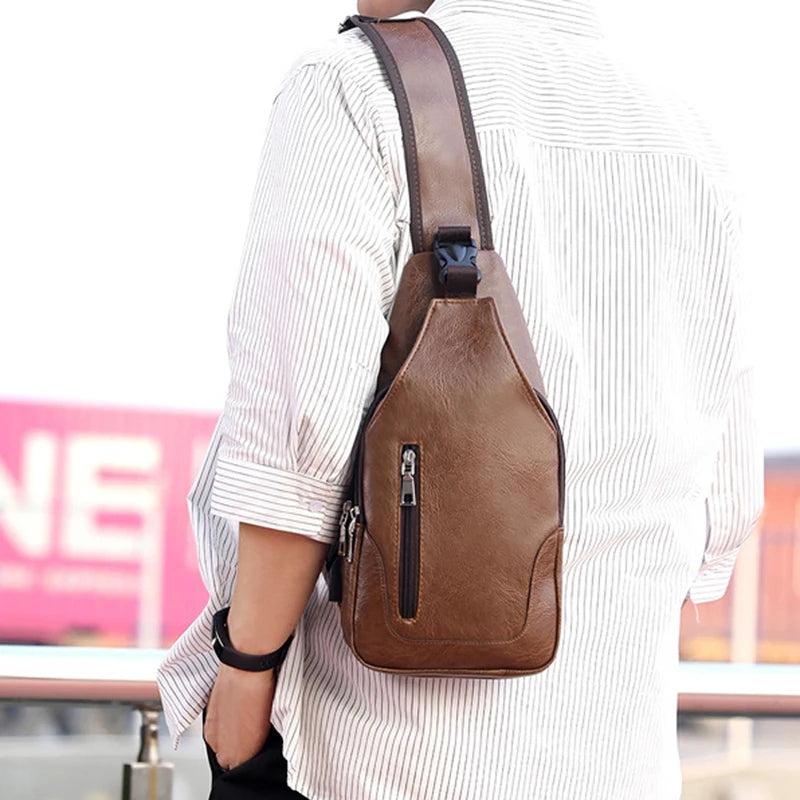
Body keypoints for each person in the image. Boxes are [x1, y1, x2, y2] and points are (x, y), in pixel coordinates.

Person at [156, 1, 765, 798]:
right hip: (623, 761)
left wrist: (243, 676)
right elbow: (729, 500)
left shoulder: (356, 88)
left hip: (385, 757)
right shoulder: (690, 137)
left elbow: (295, 450)